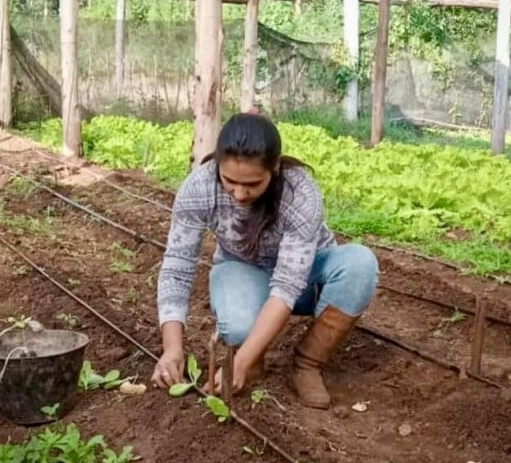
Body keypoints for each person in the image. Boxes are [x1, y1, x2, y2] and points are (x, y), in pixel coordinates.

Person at [151, 112, 378, 409]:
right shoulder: (199, 188)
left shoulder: (299, 193)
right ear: (217, 164)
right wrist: (172, 349)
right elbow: (178, 266)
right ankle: (253, 359)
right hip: (245, 272)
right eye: (230, 181)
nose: (240, 193)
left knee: (360, 264)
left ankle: (307, 364)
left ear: (275, 168)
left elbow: (287, 286)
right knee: (239, 325)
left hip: (308, 278)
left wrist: (238, 361)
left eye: (253, 184)